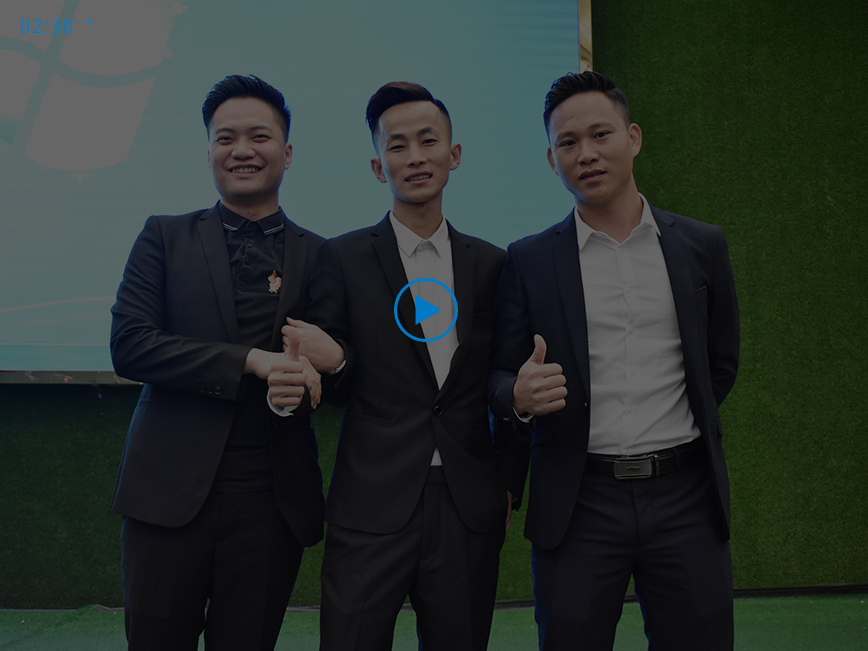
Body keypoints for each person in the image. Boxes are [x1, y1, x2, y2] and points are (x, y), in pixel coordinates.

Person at [488, 71, 739, 650]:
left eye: (600, 134)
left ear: (634, 138)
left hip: (685, 496)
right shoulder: (529, 259)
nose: (586, 153)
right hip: (578, 500)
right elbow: (499, 375)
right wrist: (517, 397)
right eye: (568, 142)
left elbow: (720, 362)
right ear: (551, 160)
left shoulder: (701, 245)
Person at [285, 81, 520, 651]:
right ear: (377, 166)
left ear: (453, 154)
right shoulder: (340, 258)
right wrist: (338, 362)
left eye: (428, 141)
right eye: (397, 146)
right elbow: (332, 385)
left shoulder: (493, 264)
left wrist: (508, 484)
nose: (415, 157)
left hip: (466, 503)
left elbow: (506, 379)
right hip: (371, 502)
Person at [110, 74, 324, 650]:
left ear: (287, 152)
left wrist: (311, 377)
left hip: (271, 501)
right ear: (208, 152)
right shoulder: (163, 237)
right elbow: (130, 344)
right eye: (225, 138)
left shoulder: (321, 254)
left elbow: (337, 360)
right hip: (166, 495)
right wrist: (251, 361)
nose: (242, 150)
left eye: (260, 136)